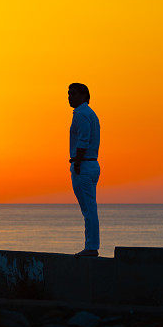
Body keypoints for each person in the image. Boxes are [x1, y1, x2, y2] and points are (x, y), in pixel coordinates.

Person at [68, 83, 101, 257]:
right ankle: (91, 246)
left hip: (84, 164)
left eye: (73, 93)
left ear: (83, 95)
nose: (69, 97)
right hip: (90, 164)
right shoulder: (90, 114)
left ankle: (91, 247)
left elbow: (83, 140)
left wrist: (78, 163)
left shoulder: (81, 114)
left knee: (88, 208)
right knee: (89, 208)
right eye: (68, 93)